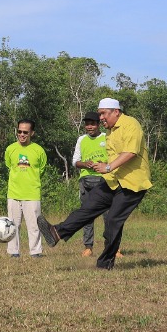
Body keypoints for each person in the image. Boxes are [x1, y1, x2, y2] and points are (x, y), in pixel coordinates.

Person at [37, 98, 151, 270]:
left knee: (112, 220)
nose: (101, 118)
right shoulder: (111, 131)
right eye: (99, 114)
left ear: (116, 112)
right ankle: (56, 233)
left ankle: (105, 264)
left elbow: (131, 152)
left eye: (103, 113)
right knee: (88, 207)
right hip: (113, 180)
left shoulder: (130, 125)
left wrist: (108, 166)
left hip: (132, 183)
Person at [4, 119, 47, 258]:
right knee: (13, 226)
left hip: (32, 193)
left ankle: (35, 252)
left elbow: (42, 169)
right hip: (14, 193)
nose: (22, 134)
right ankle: (13, 252)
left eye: (25, 132)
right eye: (19, 131)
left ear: (32, 133)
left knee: (34, 226)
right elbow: (8, 165)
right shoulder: (10, 149)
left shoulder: (39, 150)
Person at [72, 111, 107, 257]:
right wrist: (85, 164)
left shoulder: (106, 138)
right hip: (86, 181)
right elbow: (75, 161)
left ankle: (113, 247)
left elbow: (116, 158)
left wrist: (104, 165)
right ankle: (88, 247)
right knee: (87, 215)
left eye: (92, 124)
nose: (89, 127)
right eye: (87, 124)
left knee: (109, 216)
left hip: (104, 180)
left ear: (98, 124)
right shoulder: (81, 140)